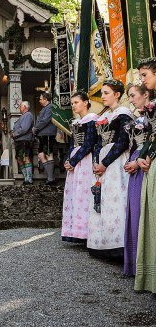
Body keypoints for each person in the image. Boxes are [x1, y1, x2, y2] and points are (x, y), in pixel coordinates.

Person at [88, 79, 133, 260]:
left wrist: (105, 163)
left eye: (106, 93)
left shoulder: (124, 115)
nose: (103, 96)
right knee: (103, 201)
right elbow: (98, 143)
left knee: (116, 200)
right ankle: (103, 245)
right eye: (102, 93)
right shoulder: (106, 117)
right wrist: (96, 161)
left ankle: (120, 246)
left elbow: (122, 142)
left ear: (117, 95)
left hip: (115, 163)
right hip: (103, 163)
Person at [62, 91, 98, 244]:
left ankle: (87, 232)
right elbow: (73, 144)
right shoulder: (76, 122)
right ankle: (76, 231)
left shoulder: (92, 120)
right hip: (75, 162)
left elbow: (89, 144)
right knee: (74, 193)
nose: (73, 106)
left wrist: (74, 160)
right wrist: (68, 160)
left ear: (85, 102)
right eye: (72, 103)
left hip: (85, 160)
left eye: (76, 102)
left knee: (83, 193)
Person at [123, 84, 152, 276]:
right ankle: (135, 265)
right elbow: (132, 144)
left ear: (146, 94)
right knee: (133, 211)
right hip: (135, 163)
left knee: (145, 212)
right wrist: (130, 161)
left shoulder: (152, 117)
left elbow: (151, 140)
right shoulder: (137, 120)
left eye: (133, 95)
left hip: (147, 162)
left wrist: (139, 159)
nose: (132, 100)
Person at [135, 57, 156, 293]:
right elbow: (150, 137)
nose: (142, 80)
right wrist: (144, 155)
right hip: (151, 161)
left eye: (145, 75)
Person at [33, 92, 58, 185]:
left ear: (45, 99)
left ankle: (50, 179)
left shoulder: (50, 107)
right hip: (43, 134)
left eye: (40, 99)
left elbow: (45, 120)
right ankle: (50, 178)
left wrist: (36, 128)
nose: (39, 101)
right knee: (41, 155)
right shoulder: (45, 108)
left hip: (48, 134)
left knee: (48, 154)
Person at [10, 101, 34, 185]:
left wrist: (14, 134)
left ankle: (29, 179)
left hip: (25, 140)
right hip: (19, 141)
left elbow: (24, 129)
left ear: (24, 107)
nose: (20, 108)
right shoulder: (23, 116)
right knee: (19, 159)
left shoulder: (28, 115)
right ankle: (25, 177)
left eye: (20, 106)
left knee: (26, 158)